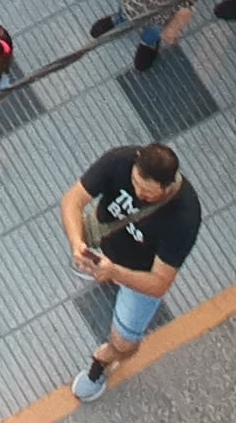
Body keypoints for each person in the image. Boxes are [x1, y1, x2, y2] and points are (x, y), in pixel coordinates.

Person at [63, 139, 200, 401]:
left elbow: (160, 283)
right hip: (103, 242)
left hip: (138, 274)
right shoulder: (119, 161)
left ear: (169, 186)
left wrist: (114, 273)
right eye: (135, 183)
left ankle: (107, 360)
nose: (138, 194)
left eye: (147, 192)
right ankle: (93, 266)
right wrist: (78, 245)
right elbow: (72, 200)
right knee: (81, 239)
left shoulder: (184, 217)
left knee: (124, 343)